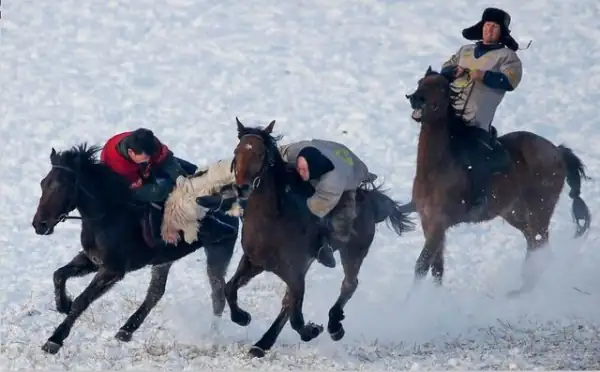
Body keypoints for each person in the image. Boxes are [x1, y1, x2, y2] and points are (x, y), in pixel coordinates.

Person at [439, 7, 523, 212]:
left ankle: (479, 196)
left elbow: (510, 81)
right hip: (452, 115)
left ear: (501, 32)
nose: (489, 30)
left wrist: (484, 76)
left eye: (494, 27)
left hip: (478, 119)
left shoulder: (508, 57)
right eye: (487, 26)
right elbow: (445, 68)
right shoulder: (464, 51)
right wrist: (454, 70)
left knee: (475, 154)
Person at [278, 139, 372, 269]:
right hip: (331, 149)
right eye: (299, 167)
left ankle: (323, 247)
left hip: (352, 171)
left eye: (304, 170)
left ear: (315, 169)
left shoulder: (332, 183)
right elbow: (278, 153)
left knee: (340, 222)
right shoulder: (296, 150)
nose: (300, 172)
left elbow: (312, 208)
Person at [100, 128, 197, 245]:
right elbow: (129, 188)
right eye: (145, 157)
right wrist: (169, 185)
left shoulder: (148, 143)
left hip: (148, 170)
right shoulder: (114, 164)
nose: (149, 159)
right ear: (131, 152)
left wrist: (178, 176)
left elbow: (166, 159)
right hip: (126, 187)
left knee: (191, 171)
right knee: (161, 191)